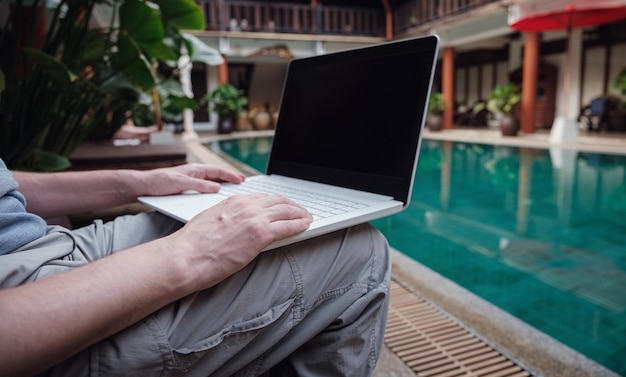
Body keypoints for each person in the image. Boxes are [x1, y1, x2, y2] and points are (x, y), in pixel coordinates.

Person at [0, 158, 391, 377]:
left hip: (44, 244)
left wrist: (138, 181)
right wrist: (189, 255)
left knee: (204, 215)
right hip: (27, 307)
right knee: (360, 249)